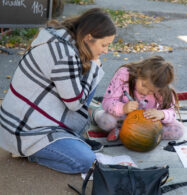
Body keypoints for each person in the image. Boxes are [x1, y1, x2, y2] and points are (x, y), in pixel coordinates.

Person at [0, 8, 116, 174]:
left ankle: (69, 138)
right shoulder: (63, 54)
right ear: (88, 38)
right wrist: (93, 70)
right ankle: (31, 153)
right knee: (84, 161)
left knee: (92, 73)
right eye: (104, 44)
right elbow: (75, 103)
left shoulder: (65, 41)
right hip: (25, 131)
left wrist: (92, 71)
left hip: (33, 119)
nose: (106, 50)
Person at [91, 56, 184, 141]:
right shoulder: (124, 74)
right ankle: (95, 113)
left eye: (151, 91)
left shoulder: (163, 89)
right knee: (106, 121)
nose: (145, 92)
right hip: (122, 118)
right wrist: (123, 108)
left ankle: (134, 134)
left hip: (147, 125)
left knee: (178, 130)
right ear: (139, 72)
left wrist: (162, 114)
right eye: (143, 85)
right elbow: (107, 102)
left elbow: (172, 112)